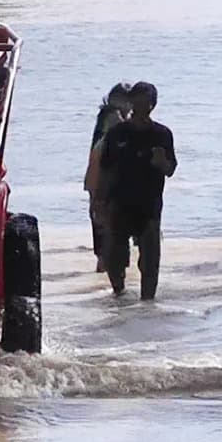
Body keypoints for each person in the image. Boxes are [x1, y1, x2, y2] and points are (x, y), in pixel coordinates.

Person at [99, 82, 176, 300]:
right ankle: (119, 297)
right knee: (115, 258)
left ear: (153, 105)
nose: (143, 106)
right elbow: (105, 168)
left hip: (149, 205)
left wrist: (161, 163)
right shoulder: (117, 133)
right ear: (131, 102)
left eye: (147, 102)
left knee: (150, 261)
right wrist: (99, 202)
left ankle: (147, 307)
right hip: (119, 202)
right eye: (138, 101)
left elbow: (170, 169)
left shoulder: (162, 134)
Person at [84, 83, 132, 273]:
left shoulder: (104, 115)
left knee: (100, 224)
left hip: (95, 176)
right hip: (104, 178)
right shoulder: (114, 118)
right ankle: (107, 268)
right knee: (108, 225)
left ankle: (103, 266)